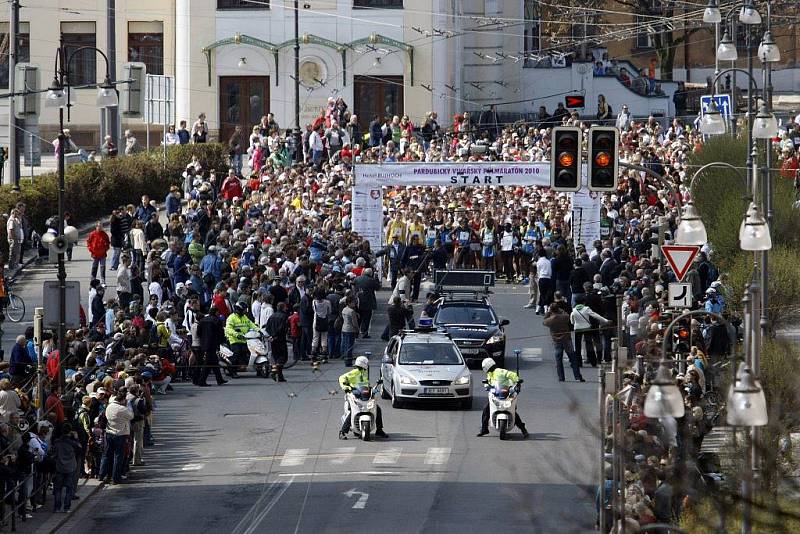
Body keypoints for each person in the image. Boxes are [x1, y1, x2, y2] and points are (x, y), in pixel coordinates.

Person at [476, 358, 529, 438]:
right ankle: (484, 429)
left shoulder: (500, 371)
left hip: (506, 394)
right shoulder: (489, 374)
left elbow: (512, 375)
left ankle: (523, 429)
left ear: (487, 366)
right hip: (495, 395)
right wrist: (487, 386)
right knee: (486, 410)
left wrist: (517, 381)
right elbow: (487, 383)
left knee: (512, 411)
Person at [338, 356, 387, 439]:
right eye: (367, 364)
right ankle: (342, 432)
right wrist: (346, 388)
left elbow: (366, 386)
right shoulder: (355, 372)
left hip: (364, 396)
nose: (367, 365)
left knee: (377, 409)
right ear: (363, 364)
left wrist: (372, 390)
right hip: (355, 396)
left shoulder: (363, 373)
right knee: (354, 411)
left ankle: (379, 430)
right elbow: (342, 378)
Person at [99, 387, 133, 485]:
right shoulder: (123, 409)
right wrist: (127, 406)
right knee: (118, 457)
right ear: (122, 400)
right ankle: (116, 478)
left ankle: (103, 474)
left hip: (109, 433)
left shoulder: (109, 406)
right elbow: (131, 416)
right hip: (120, 434)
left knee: (107, 455)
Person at [543, 303, 585, 382]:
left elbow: (544, 321)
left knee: (558, 360)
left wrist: (548, 312)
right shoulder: (564, 317)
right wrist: (560, 310)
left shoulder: (550, 320)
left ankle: (561, 377)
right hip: (567, 339)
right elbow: (566, 314)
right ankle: (577, 376)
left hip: (557, 340)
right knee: (573, 358)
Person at [48, 423, 82, 512]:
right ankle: (66, 507)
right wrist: (76, 438)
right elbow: (80, 449)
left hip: (59, 466)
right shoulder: (73, 443)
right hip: (70, 467)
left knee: (58, 488)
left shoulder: (57, 442)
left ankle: (57, 507)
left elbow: (53, 452)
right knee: (69, 488)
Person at [224, 301, 259, 377]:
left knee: (251, 351)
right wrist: (237, 334)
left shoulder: (244, 317)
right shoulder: (231, 318)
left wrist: (258, 330)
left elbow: (251, 324)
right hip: (234, 340)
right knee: (237, 353)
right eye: (244, 310)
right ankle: (232, 371)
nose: (245, 311)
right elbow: (228, 329)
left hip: (245, 339)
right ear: (238, 310)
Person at [197, 307, 227, 386]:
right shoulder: (217, 321)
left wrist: (203, 339)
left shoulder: (202, 320)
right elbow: (220, 333)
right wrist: (221, 342)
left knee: (213, 362)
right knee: (208, 363)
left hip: (205, 344)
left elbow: (198, 332)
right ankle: (202, 381)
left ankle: (219, 379)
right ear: (216, 312)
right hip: (213, 344)